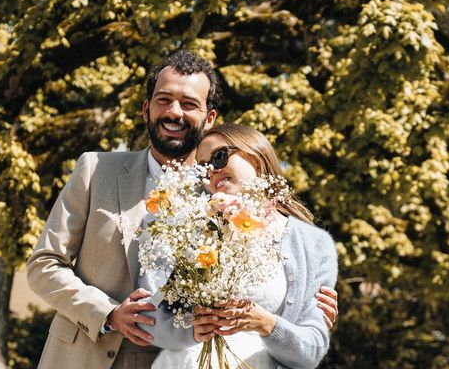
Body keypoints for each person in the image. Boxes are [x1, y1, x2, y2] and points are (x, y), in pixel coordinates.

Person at [27, 51, 338, 369]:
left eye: (189, 104)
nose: (174, 112)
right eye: (163, 100)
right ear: (146, 109)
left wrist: (306, 311)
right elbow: (44, 265)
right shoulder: (94, 170)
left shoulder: (227, 193)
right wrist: (107, 313)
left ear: (210, 118)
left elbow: (269, 285)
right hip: (84, 356)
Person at [143, 123, 338, 369]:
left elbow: (311, 351)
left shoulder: (314, 245)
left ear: (255, 154)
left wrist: (266, 323)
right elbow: (150, 314)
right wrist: (192, 330)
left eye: (219, 157)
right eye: (202, 167)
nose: (211, 171)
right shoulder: (191, 231)